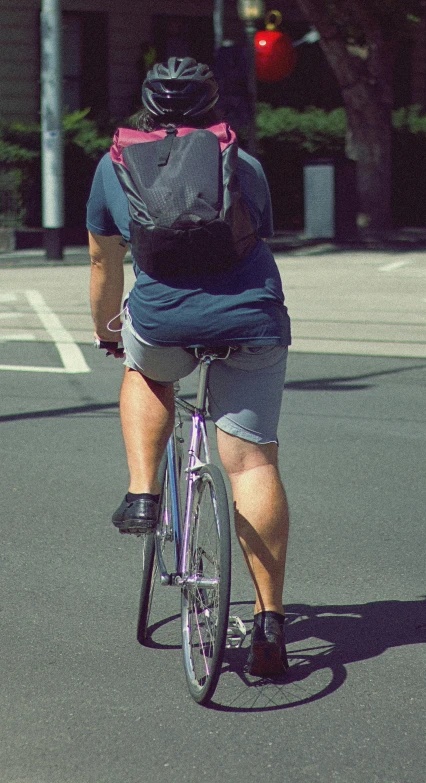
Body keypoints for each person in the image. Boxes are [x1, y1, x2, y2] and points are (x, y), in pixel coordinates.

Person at [86, 57, 291, 677]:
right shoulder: (243, 163)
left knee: (144, 371)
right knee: (252, 461)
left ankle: (143, 494)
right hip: (251, 320)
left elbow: (104, 265)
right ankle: (269, 622)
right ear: (212, 105)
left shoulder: (113, 165)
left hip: (165, 318)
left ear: (145, 103)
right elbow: (259, 238)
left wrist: (106, 330)